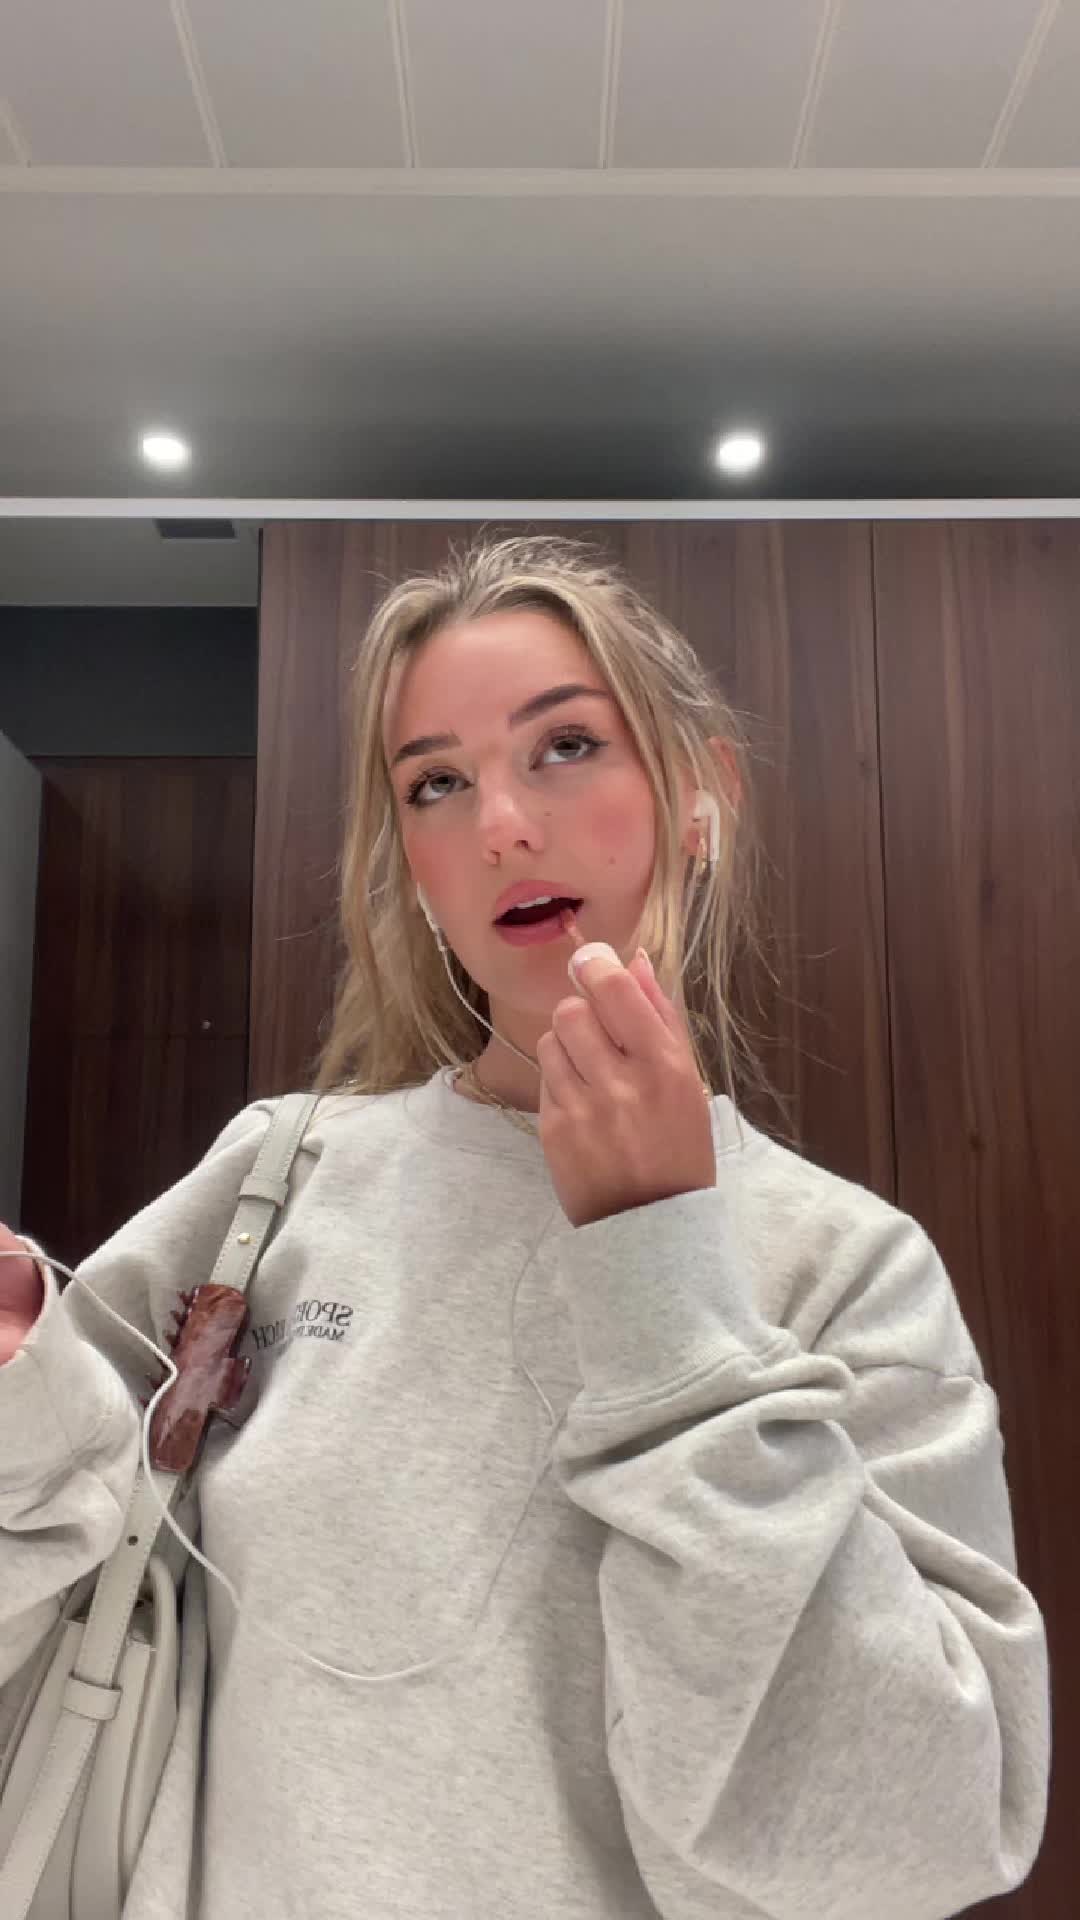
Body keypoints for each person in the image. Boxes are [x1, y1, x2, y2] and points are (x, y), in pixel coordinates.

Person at [0, 534, 1050, 1920]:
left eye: (566, 746)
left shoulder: (847, 1266)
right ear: (416, 868)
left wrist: (663, 1274)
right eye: (436, 783)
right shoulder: (284, 1173)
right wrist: (19, 1383)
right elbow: (46, 1560)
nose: (500, 823)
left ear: (700, 801)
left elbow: (920, 1835)